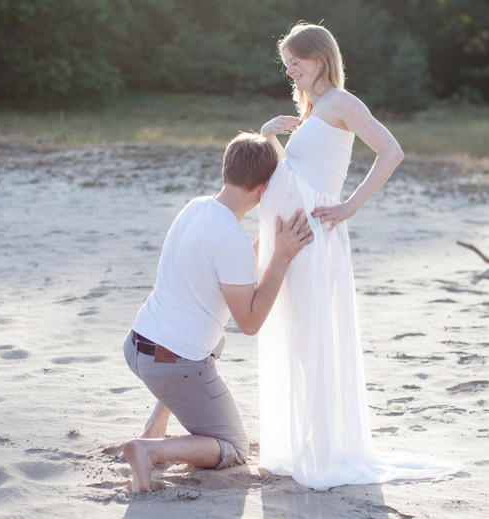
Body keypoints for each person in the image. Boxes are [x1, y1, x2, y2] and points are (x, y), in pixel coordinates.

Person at [256, 23, 464, 490]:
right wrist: (270, 136)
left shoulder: (343, 103)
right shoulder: (312, 108)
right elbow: (295, 170)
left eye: (297, 62)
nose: (289, 71)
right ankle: (302, 441)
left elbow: (391, 151)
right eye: (286, 63)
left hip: (314, 234)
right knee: (294, 332)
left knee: (311, 333)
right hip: (293, 236)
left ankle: (324, 447)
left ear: (321, 59)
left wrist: (351, 205)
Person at [122, 132, 314, 493]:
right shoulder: (232, 240)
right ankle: (149, 450)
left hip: (137, 345)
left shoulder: (196, 207)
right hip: (171, 364)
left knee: (214, 340)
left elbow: (228, 264)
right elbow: (251, 322)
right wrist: (282, 257)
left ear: (228, 168)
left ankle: (154, 428)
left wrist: (270, 246)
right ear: (264, 188)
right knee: (234, 448)